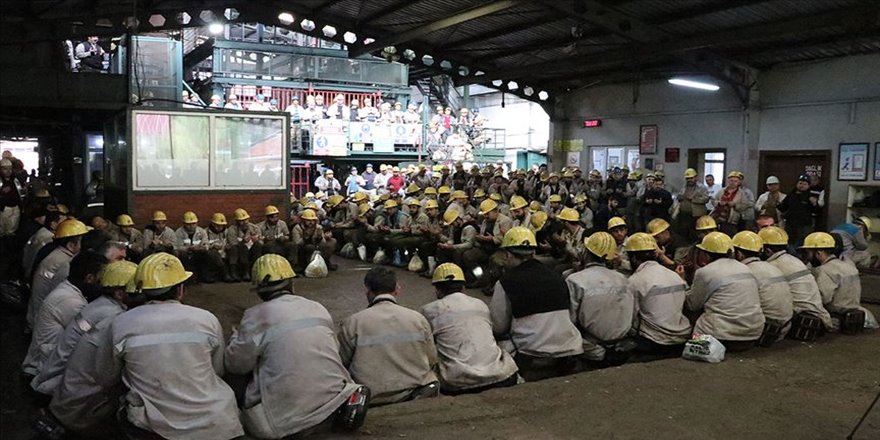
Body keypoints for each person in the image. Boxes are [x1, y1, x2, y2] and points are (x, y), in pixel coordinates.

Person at [92, 252, 244, 439]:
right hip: (215, 422)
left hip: (152, 427)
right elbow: (218, 369)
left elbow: (105, 376)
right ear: (180, 290)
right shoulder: (206, 319)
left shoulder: (121, 323)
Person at [225, 255, 369, 438]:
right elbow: (334, 350)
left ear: (260, 291)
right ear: (291, 284)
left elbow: (236, 365)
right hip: (333, 405)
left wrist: (236, 338)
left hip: (283, 423)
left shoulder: (255, 315)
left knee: (233, 374)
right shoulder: (317, 307)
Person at [490, 227, 583, 381]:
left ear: (508, 255)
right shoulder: (557, 277)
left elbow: (499, 326)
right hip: (569, 348)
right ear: (533, 253)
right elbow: (571, 317)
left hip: (531, 352)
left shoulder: (506, 282)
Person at [31, 260, 137, 395]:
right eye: (134, 291)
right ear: (119, 294)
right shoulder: (112, 314)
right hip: (59, 383)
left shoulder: (101, 304)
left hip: (53, 373)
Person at [338, 267, 439, 406]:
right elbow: (432, 359)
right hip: (413, 394)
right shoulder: (418, 319)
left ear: (367, 290)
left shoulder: (352, 322)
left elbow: (342, 364)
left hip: (370, 397)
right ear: (397, 289)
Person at [420, 263, 519, 395]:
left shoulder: (428, 311)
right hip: (500, 375)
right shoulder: (480, 304)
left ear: (437, 289)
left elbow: (423, 347)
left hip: (458, 382)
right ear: (463, 287)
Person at [22, 251, 106, 379]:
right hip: (38, 371)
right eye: (102, 278)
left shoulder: (68, 290)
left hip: (44, 365)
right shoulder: (71, 301)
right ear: (89, 278)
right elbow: (87, 335)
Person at [684, 232, 764, 352]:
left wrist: (682, 282)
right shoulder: (745, 268)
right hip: (752, 335)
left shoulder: (705, 272)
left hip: (719, 338)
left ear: (705, 255)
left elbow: (692, 305)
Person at [566, 232, 634, 366]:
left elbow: (570, 321)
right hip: (622, 344)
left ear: (587, 253)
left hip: (590, 346)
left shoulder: (575, 280)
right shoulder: (622, 278)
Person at [626, 233, 692, 359]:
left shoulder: (635, 281)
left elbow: (630, 317)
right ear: (656, 254)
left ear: (633, 258)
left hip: (654, 341)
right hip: (682, 336)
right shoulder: (674, 276)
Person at [759, 226, 832, 340]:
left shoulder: (772, 267)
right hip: (820, 317)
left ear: (767, 251)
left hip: (802, 321)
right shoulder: (794, 260)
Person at [800, 232, 872, 333]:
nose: (808, 257)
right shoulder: (849, 266)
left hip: (836, 320)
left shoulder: (825, 270)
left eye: (808, 253)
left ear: (819, 253)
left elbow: (822, 298)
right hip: (854, 315)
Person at [731, 231, 793, 345]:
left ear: (739, 254)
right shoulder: (772, 267)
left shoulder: (745, 272)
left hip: (766, 329)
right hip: (786, 326)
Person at [28, 219, 90, 329]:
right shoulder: (65, 263)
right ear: (71, 245)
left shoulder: (56, 253)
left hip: (36, 313)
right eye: (82, 242)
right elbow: (63, 296)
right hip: (42, 322)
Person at [22, 211, 64, 280]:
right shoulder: (50, 240)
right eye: (63, 222)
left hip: (27, 268)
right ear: (53, 224)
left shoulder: (42, 231)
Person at [711, 171, 755, 235]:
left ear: (738, 182)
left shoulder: (741, 193)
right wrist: (719, 203)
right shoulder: (722, 191)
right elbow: (713, 200)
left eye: (735, 181)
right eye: (731, 181)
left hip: (731, 219)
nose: (733, 183)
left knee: (730, 234)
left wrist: (735, 205)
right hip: (718, 218)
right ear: (728, 181)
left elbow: (745, 205)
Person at [226, 208, 263, 282]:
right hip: (240, 250)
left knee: (258, 246)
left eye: (246, 220)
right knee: (242, 248)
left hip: (252, 249)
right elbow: (233, 243)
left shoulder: (255, 228)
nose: (245, 222)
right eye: (242, 221)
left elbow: (261, 241)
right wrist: (242, 241)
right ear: (237, 221)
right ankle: (245, 273)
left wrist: (256, 240)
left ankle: (257, 270)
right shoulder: (232, 229)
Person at [676, 168, 710, 242]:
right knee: (684, 232)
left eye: (691, 178)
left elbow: (706, 199)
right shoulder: (684, 187)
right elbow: (679, 195)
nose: (689, 180)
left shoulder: (702, 187)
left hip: (696, 215)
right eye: (687, 178)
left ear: (696, 177)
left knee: (695, 233)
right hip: (684, 214)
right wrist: (680, 197)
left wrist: (693, 199)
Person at [1, 158, 26, 237]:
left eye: (10, 168)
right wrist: (2, 192)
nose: (8, 171)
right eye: (5, 169)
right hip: (4, 208)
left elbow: (21, 193)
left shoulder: (15, 180)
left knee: (12, 231)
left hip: (15, 207)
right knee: (3, 231)